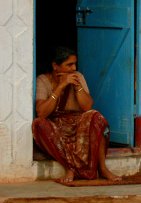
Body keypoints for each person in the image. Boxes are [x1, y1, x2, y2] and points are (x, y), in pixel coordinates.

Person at [32, 46, 121, 182]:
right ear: (55, 66)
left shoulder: (78, 77)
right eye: (69, 64)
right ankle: (70, 169)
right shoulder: (43, 80)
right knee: (39, 124)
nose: (74, 68)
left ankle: (102, 169)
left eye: (75, 64)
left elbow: (87, 106)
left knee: (97, 118)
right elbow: (42, 113)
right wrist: (61, 86)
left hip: (78, 124)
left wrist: (77, 86)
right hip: (56, 126)